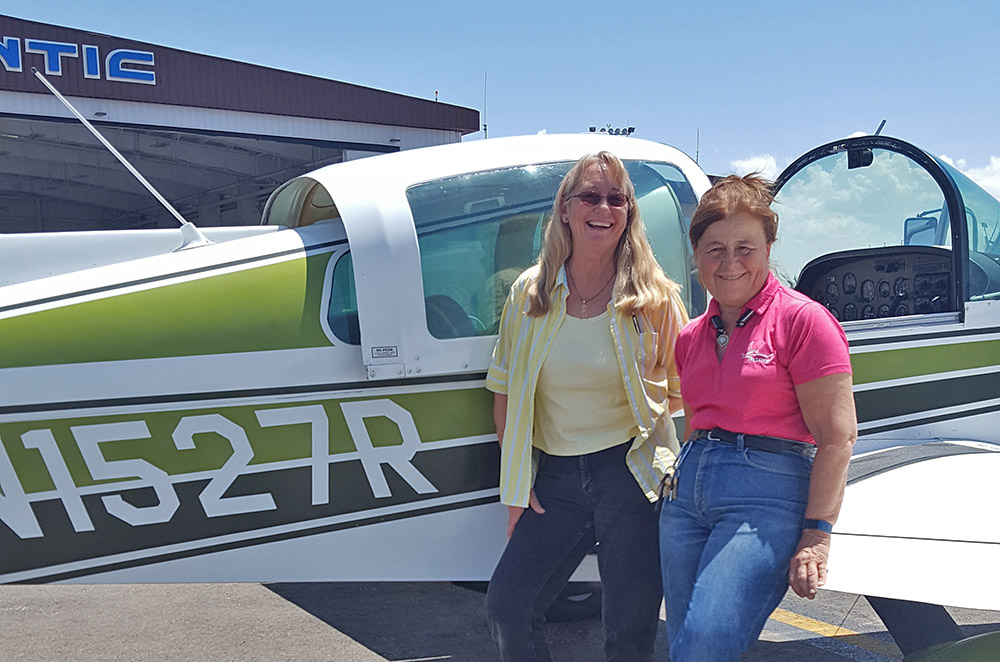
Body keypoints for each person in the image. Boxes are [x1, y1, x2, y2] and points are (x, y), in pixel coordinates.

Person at [484, 151, 687, 662]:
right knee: (509, 604)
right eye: (590, 196)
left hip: (632, 475)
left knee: (629, 631)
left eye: (616, 198)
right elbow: (504, 389)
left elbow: (689, 393)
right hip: (555, 480)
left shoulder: (655, 298)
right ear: (566, 209)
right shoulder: (529, 293)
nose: (603, 207)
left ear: (628, 213)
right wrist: (517, 483)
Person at [659, 174, 857, 661]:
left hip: (765, 494)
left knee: (704, 644)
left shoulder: (803, 321)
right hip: (686, 497)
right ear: (696, 256)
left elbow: (838, 437)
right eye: (714, 249)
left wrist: (816, 536)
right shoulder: (689, 337)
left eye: (744, 247)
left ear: (769, 246)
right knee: (686, 644)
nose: (729, 263)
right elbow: (695, 425)